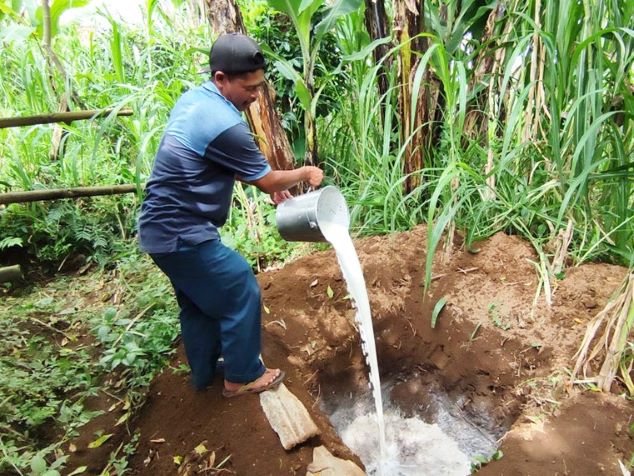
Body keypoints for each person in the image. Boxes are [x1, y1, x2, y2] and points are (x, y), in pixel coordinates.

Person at [138, 33, 323, 397]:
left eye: (259, 86)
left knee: (198, 304)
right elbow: (266, 176)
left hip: (159, 228)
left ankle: (204, 373)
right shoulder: (226, 124)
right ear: (220, 78)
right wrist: (303, 174)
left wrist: (266, 184)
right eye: (248, 87)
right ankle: (242, 376)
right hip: (181, 231)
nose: (255, 96)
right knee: (239, 285)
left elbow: (220, 161)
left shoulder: (195, 101)